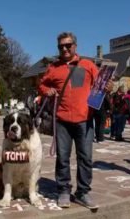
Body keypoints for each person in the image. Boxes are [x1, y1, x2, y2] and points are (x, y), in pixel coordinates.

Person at [38, 32, 113, 209]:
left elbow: (102, 84)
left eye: (68, 45)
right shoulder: (53, 67)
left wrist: (109, 87)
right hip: (62, 120)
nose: (64, 49)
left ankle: (82, 192)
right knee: (63, 158)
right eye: (61, 46)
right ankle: (64, 190)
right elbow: (42, 84)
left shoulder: (88, 65)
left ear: (75, 46)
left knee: (85, 158)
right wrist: (46, 91)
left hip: (84, 120)